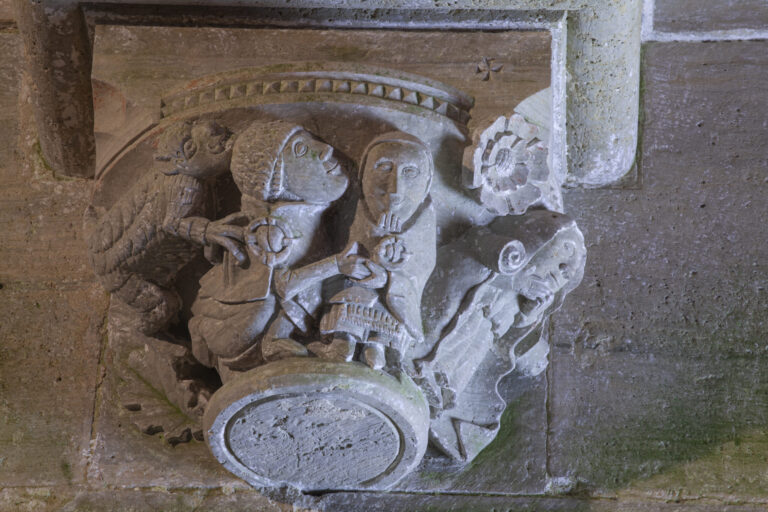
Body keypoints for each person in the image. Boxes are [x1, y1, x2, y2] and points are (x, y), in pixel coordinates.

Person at [188, 120, 369, 378]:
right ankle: (274, 342)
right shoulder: (276, 230)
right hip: (237, 331)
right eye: (301, 150)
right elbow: (286, 285)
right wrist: (337, 264)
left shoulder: (309, 217)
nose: (326, 149)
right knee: (272, 305)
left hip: (290, 321)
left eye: (311, 140)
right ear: (277, 182)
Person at [314, 131, 437, 369]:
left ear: (427, 185)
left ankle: (377, 346)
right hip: (354, 291)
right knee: (351, 291)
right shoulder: (354, 209)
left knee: (385, 313)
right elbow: (341, 255)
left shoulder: (424, 222)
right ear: (362, 176)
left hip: (391, 303)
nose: (394, 189)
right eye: (383, 168)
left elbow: (419, 270)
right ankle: (344, 342)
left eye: (410, 172)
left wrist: (389, 274)